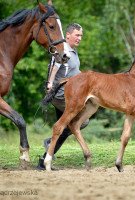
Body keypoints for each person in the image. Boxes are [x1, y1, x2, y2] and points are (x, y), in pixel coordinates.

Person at [37, 23, 89, 170]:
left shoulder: (72, 50)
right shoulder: (64, 50)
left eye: (81, 36)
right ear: (67, 35)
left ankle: (43, 161)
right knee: (80, 122)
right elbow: (54, 65)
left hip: (70, 94)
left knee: (64, 126)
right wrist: (49, 84)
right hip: (61, 95)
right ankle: (49, 143)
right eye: (77, 35)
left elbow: (74, 73)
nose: (80, 38)